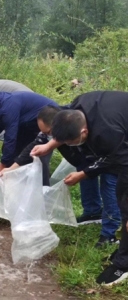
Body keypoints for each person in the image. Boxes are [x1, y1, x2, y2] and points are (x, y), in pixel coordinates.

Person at [31, 91, 128, 285]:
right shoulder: (77, 106)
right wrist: (50, 145)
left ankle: (124, 264)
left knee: (124, 200)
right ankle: (124, 253)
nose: (67, 145)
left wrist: (84, 173)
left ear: (84, 132)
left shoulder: (107, 133)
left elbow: (122, 165)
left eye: (69, 142)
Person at [1, 105, 121, 248]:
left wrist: (83, 174)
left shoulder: (101, 127)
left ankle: (109, 234)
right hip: (90, 152)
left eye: (49, 132)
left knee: (109, 181)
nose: (48, 136)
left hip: (114, 153)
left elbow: (112, 158)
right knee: (84, 168)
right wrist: (11, 168)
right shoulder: (66, 120)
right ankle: (92, 212)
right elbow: (37, 143)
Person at [0, 90, 59, 185]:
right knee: (16, 155)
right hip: (28, 124)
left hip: (48, 119)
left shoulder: (7, 108)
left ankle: (42, 189)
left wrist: (2, 165)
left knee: (37, 158)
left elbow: (10, 138)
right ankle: (16, 185)